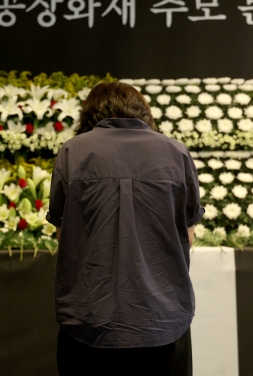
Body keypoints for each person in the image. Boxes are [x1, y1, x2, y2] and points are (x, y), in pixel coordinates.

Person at [47, 82, 204, 375]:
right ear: (143, 111)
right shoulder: (175, 152)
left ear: (89, 113)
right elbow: (189, 234)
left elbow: (62, 234)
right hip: (163, 321)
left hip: (89, 323)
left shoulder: (73, 152)